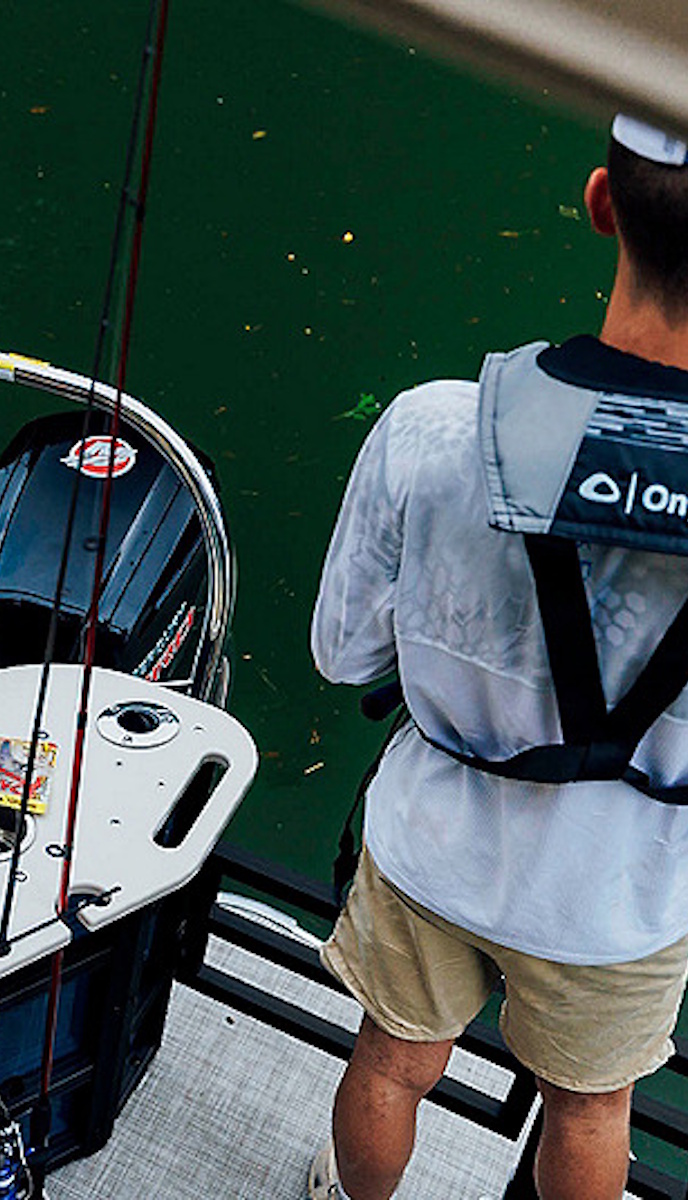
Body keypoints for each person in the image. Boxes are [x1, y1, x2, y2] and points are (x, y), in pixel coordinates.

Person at [309, 114, 688, 1200]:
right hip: (620, 899)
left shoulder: (436, 428)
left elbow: (342, 654)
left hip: (433, 849)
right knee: (592, 1110)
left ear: (601, 201)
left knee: (392, 1060)